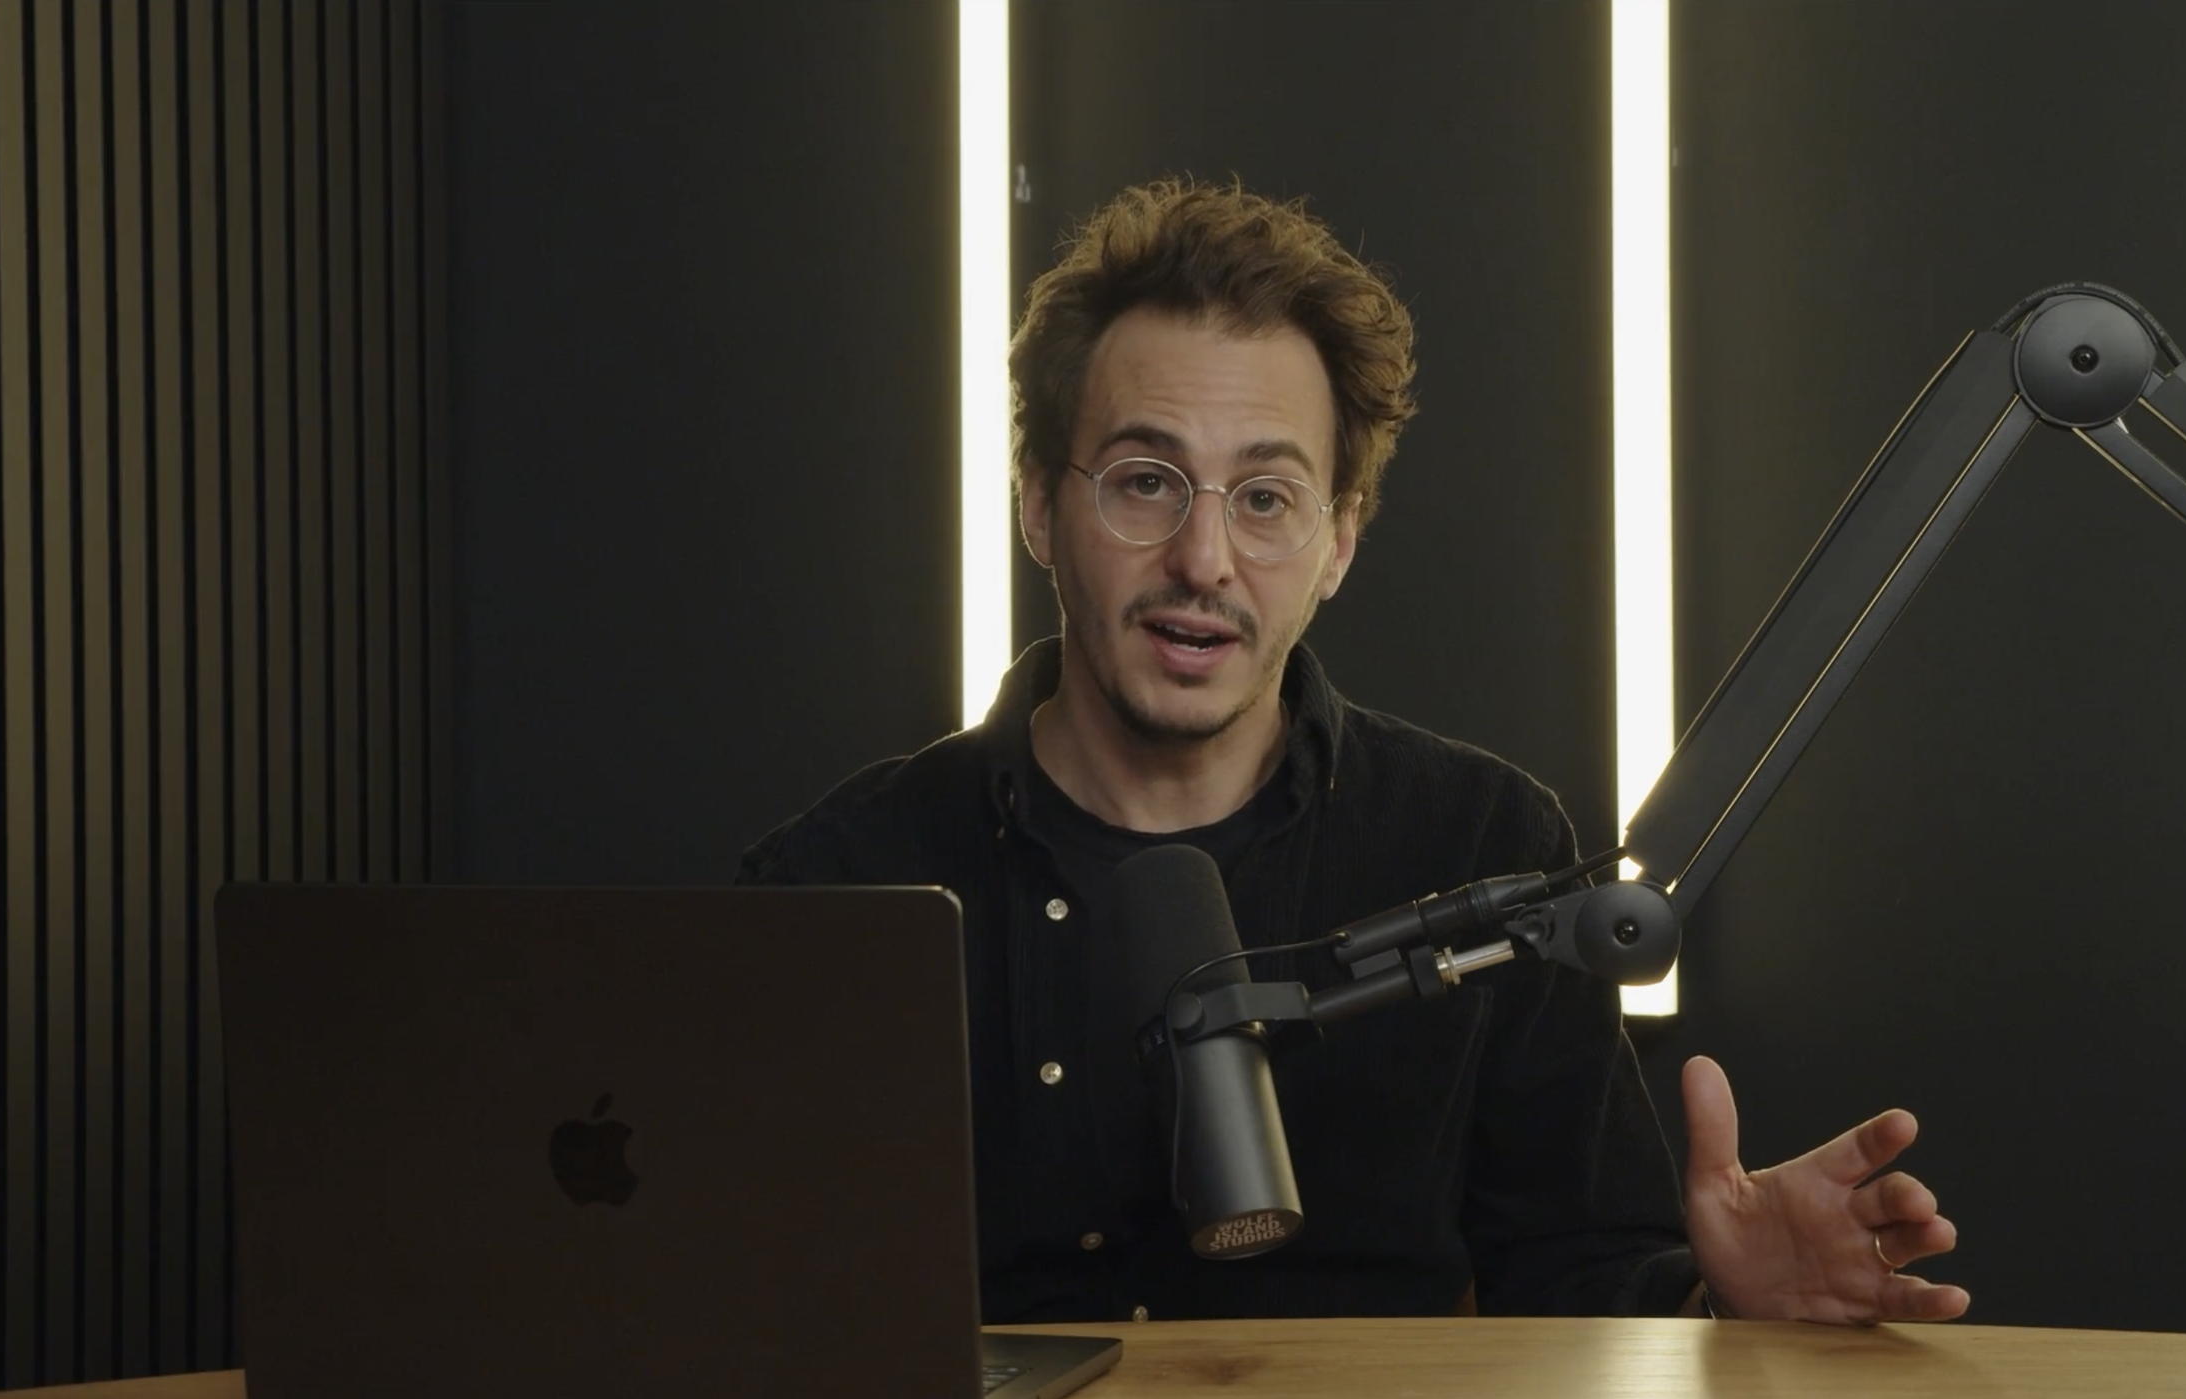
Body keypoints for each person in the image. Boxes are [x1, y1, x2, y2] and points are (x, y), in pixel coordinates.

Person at [740, 178, 1968, 1327]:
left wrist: (1720, 1307)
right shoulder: (836, 881)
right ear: (1036, 506)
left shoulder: (1485, 845)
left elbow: (1582, 1288)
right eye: (1145, 482)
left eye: (1265, 498)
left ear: (1339, 540)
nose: (1203, 561)